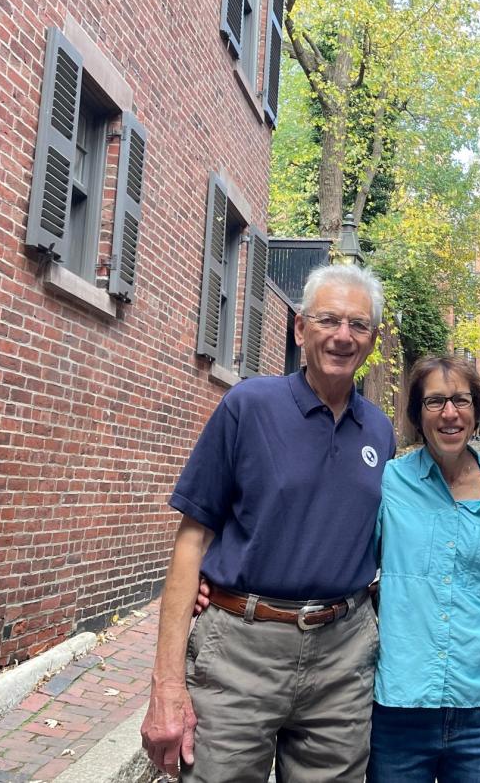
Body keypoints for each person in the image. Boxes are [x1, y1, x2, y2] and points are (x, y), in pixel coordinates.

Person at [140, 264, 395, 781]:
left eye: (358, 325)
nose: (343, 336)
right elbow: (192, 539)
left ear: (371, 341)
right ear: (300, 329)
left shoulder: (380, 431)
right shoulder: (248, 406)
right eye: (329, 320)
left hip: (343, 658)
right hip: (240, 649)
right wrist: (166, 686)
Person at [367, 355, 480, 782]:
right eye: (434, 402)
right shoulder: (389, 481)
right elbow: (340, 548)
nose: (449, 413)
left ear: (477, 410)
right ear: (417, 414)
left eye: (460, 400)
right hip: (401, 702)